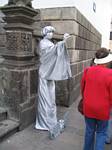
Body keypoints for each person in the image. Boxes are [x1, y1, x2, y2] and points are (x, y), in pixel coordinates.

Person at [35, 26, 72, 131]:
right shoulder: (43, 43)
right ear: (45, 33)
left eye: (52, 32)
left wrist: (62, 43)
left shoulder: (50, 43)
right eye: (49, 32)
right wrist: (63, 41)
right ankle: (44, 123)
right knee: (45, 98)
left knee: (51, 98)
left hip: (50, 73)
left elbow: (55, 53)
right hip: (44, 73)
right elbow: (50, 52)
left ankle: (50, 121)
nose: (51, 34)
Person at [81, 48, 112, 150]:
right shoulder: (110, 74)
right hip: (103, 109)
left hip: (88, 107)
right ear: (107, 61)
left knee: (89, 131)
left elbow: (83, 89)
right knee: (101, 133)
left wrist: (85, 100)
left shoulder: (88, 71)